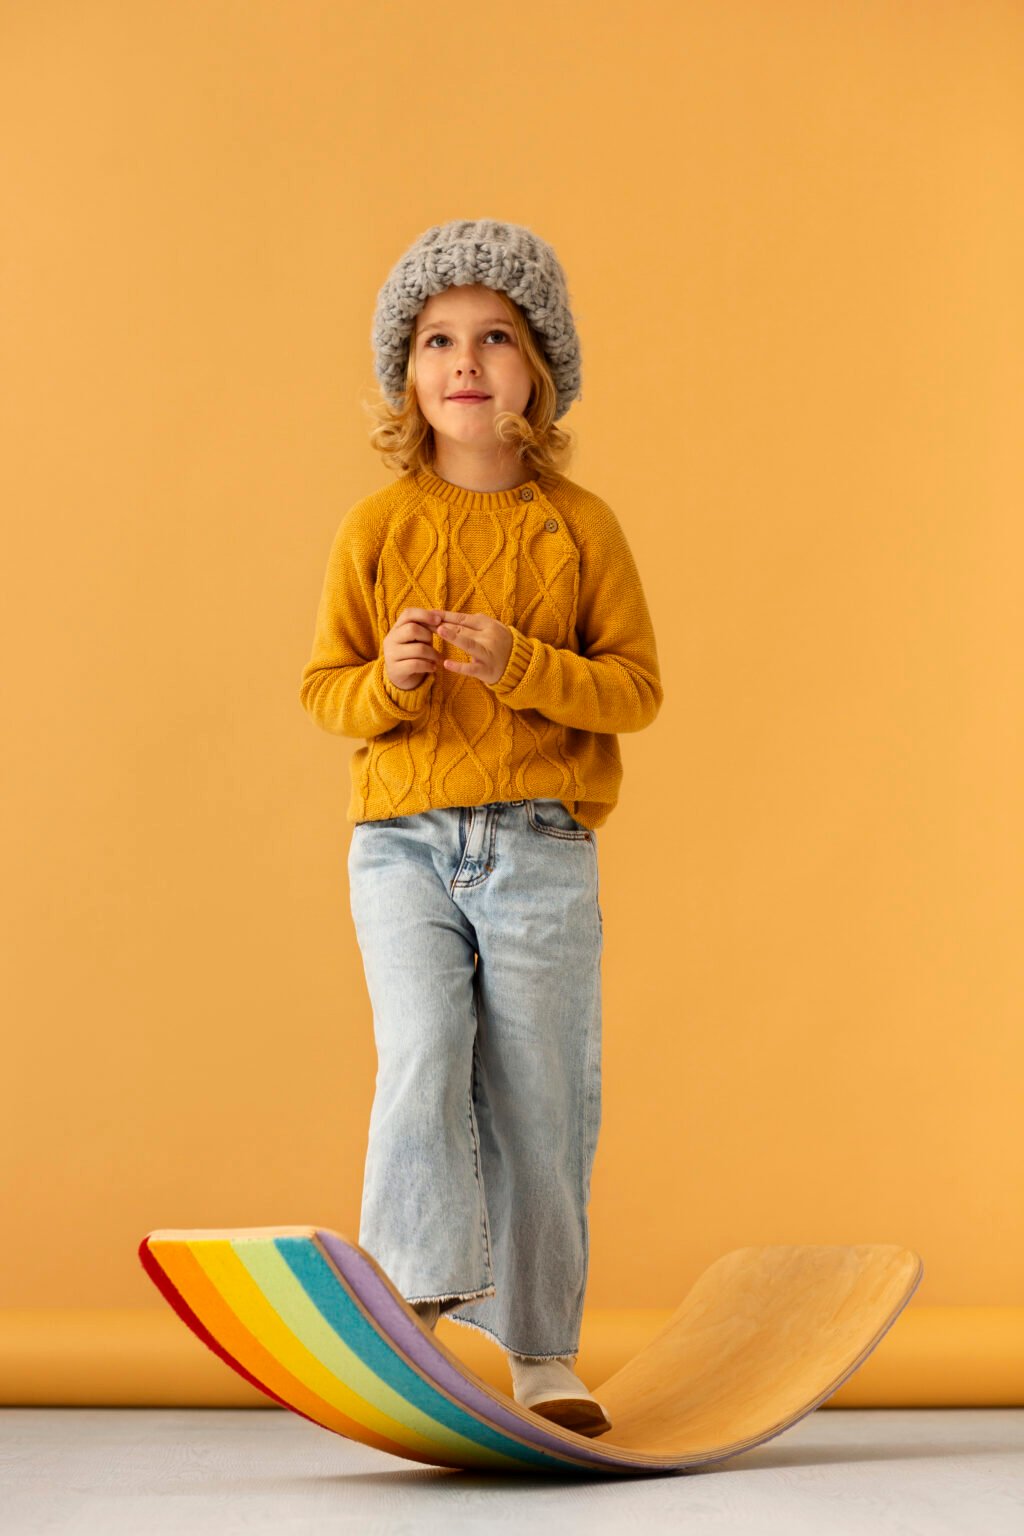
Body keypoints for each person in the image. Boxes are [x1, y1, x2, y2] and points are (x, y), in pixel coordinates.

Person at [299, 219, 663, 1437]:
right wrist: (391, 682)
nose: (465, 362)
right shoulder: (375, 528)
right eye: (436, 340)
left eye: (496, 337)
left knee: (539, 1096)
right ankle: (407, 1308)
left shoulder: (581, 526)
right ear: (406, 372)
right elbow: (324, 692)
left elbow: (634, 691)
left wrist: (523, 665)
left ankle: (542, 1352)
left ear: (539, 367)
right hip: (401, 843)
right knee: (420, 1052)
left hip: (541, 845)